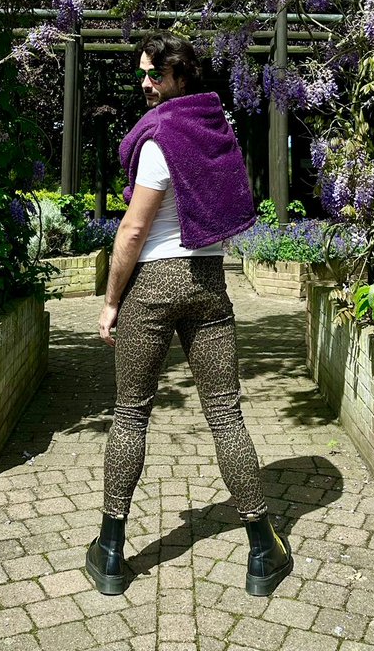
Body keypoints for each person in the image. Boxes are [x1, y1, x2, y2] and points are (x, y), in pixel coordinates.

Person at [85, 32, 293, 597]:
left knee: (130, 416)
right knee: (226, 417)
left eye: (154, 74)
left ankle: (109, 553)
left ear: (180, 75)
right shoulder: (211, 127)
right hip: (207, 282)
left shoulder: (159, 141)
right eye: (143, 74)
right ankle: (260, 551)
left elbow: (132, 231)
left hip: (152, 283)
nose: (145, 84)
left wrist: (109, 303)